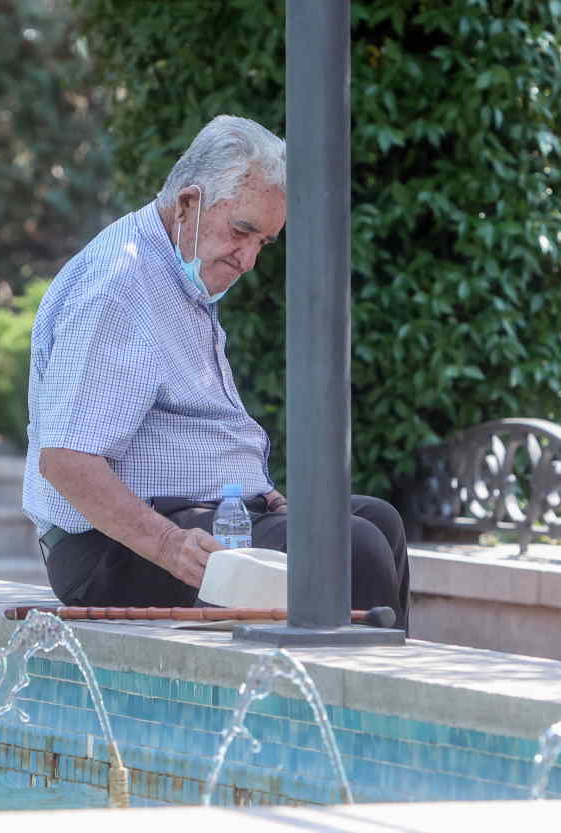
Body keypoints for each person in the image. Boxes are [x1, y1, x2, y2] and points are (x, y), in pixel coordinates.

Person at [22, 115, 409, 629]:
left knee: (376, 520)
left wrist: (258, 492)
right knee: (346, 546)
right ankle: (353, 701)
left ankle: (373, 692)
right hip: (111, 551)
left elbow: (188, 427)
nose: (249, 259)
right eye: (242, 232)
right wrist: (169, 544)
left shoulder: (179, 270)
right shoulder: (118, 289)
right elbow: (66, 460)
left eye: (264, 243)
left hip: (201, 515)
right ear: (188, 203)